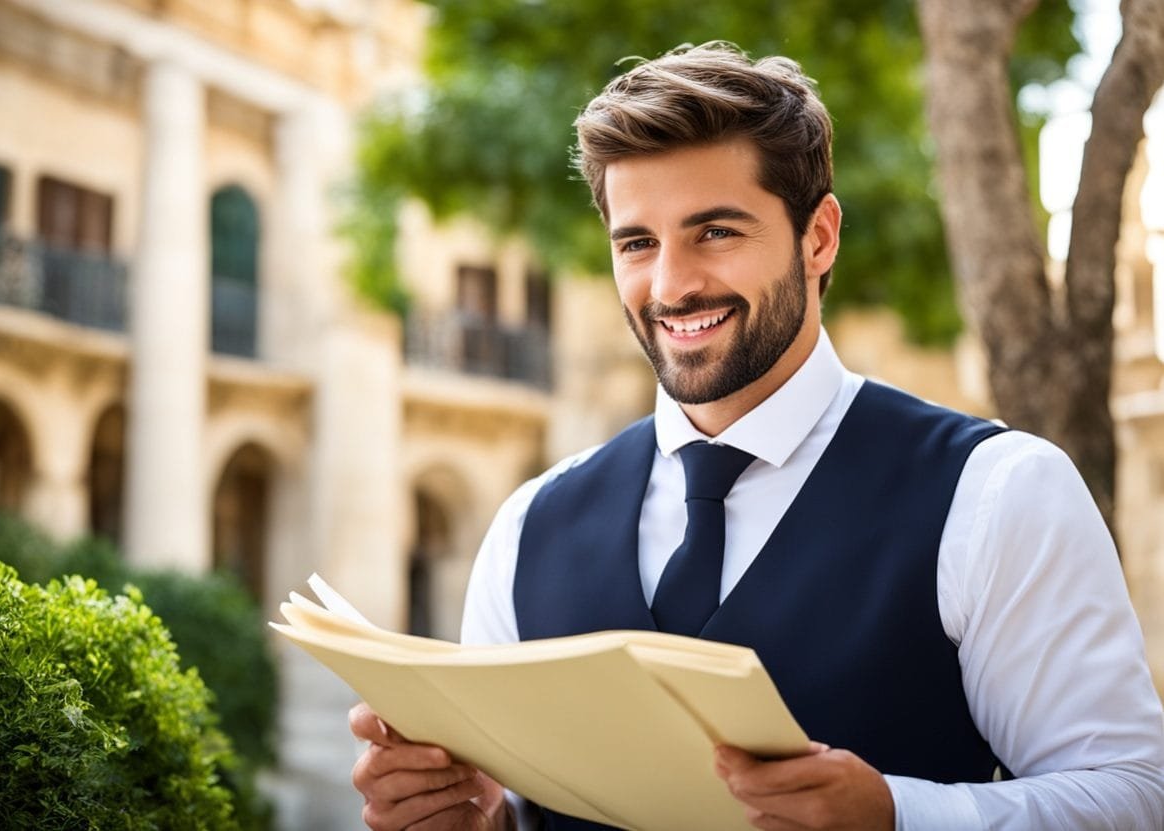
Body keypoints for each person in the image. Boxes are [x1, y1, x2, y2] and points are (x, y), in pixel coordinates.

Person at [349, 41, 1164, 830]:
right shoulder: (527, 526)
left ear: (818, 237)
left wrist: (897, 816)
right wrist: (474, 820)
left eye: (715, 231)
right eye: (637, 243)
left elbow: (1135, 795)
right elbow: (528, 808)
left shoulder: (996, 491)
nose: (670, 285)